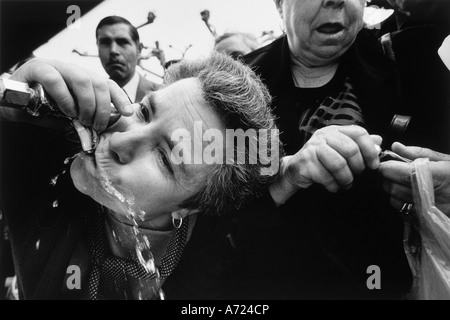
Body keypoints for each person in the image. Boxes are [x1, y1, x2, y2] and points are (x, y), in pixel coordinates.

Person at [0, 52, 281, 300]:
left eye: (164, 158)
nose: (122, 142)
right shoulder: (41, 155)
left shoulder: (213, 257)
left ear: (189, 206)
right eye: (145, 112)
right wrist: (7, 107)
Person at [223, 0, 445, 300]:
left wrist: (440, 187)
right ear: (279, 5)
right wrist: (285, 176)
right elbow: (209, 220)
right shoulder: (231, 89)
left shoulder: (410, 63)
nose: (335, 0)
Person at [96, 16, 160, 103]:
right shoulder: (91, 100)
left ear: (139, 49)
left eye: (122, 42)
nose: (113, 50)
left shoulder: (163, 95)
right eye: (105, 43)